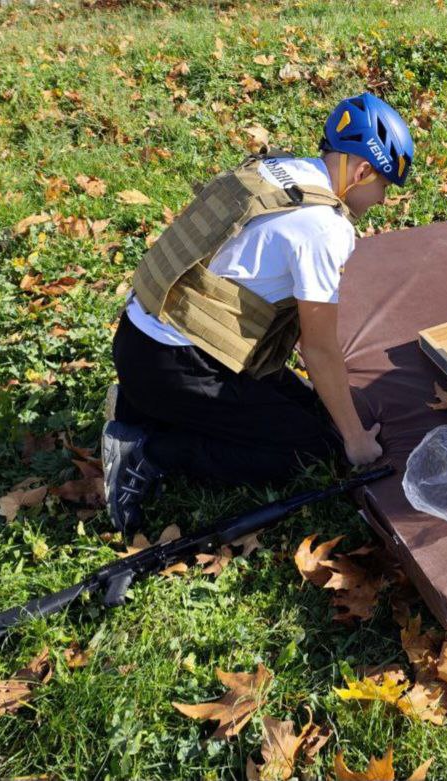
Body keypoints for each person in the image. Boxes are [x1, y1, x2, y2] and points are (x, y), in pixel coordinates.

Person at [102, 92, 414, 533]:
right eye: (384, 187)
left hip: (141, 335)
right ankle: (150, 449)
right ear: (362, 171)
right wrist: (357, 440)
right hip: (174, 364)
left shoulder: (274, 170)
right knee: (312, 447)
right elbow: (319, 348)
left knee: (314, 413)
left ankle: (139, 406)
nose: (383, 200)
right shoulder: (325, 227)